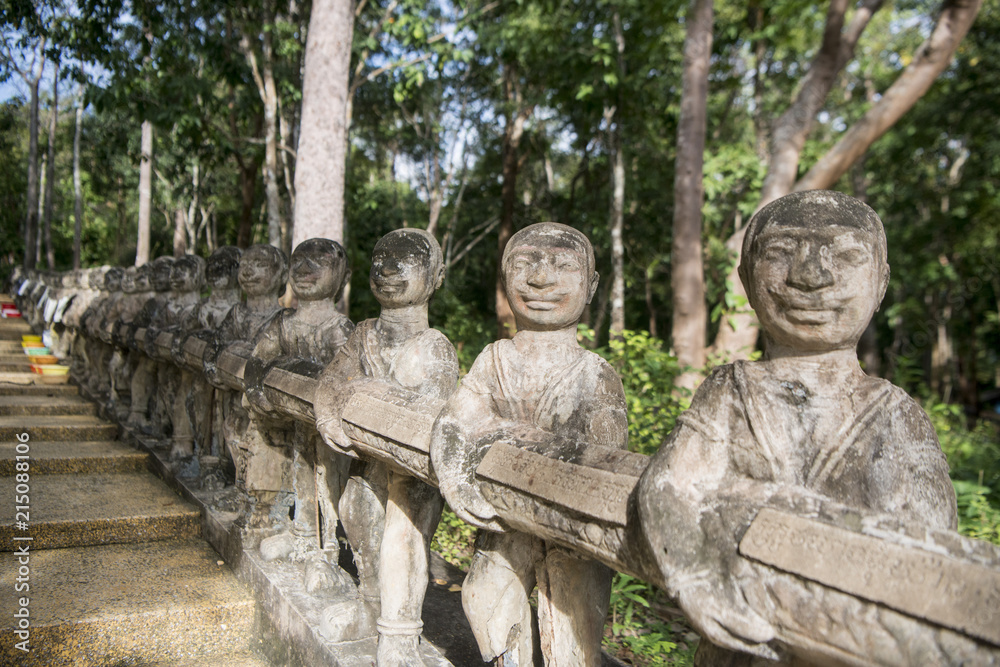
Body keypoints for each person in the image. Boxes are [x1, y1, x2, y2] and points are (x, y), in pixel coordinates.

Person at [637, 190, 958, 665]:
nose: (810, 276)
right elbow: (667, 486)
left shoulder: (895, 413)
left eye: (847, 255)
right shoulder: (731, 389)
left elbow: (936, 553)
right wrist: (694, 576)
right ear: (747, 279)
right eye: (780, 252)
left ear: (881, 282)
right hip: (742, 637)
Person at [431, 222, 628, 667]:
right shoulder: (494, 358)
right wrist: (458, 482)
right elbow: (456, 417)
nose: (541, 279)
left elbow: (606, 465)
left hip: (571, 535)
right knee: (483, 600)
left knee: (571, 631)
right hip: (503, 520)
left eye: (562, 266)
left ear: (591, 286)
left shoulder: (595, 375)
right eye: (525, 265)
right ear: (506, 281)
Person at [315, 228, 458, 665]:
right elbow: (331, 382)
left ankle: (400, 631)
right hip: (370, 458)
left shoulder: (434, 347)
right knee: (356, 511)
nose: (388, 268)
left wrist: (362, 394)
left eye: (405, 260)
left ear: (435, 277)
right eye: (380, 259)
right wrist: (328, 412)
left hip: (413, 470)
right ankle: (370, 599)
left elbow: (425, 416)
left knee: (404, 532)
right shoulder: (363, 334)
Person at [243, 239, 355, 590]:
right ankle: (301, 533)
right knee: (299, 469)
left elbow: (345, 378)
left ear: (343, 276)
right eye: (298, 260)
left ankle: (325, 551)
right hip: (292, 419)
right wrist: (260, 391)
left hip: (326, 425)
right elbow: (257, 361)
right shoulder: (284, 322)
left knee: (325, 477)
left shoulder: (340, 329)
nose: (305, 267)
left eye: (319, 260)